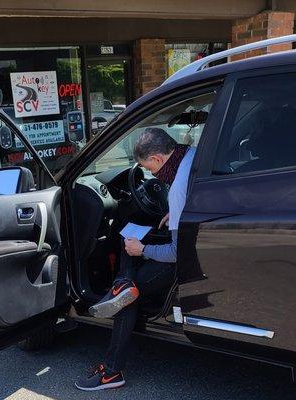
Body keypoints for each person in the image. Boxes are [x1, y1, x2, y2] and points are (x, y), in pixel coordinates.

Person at [75, 127, 196, 391]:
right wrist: (172, 216)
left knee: (126, 298)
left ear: (156, 159)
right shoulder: (191, 157)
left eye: (147, 168)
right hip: (192, 239)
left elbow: (177, 253)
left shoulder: (176, 189)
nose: (151, 175)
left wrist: (142, 251)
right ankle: (123, 283)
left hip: (182, 262)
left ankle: (111, 372)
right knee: (125, 241)